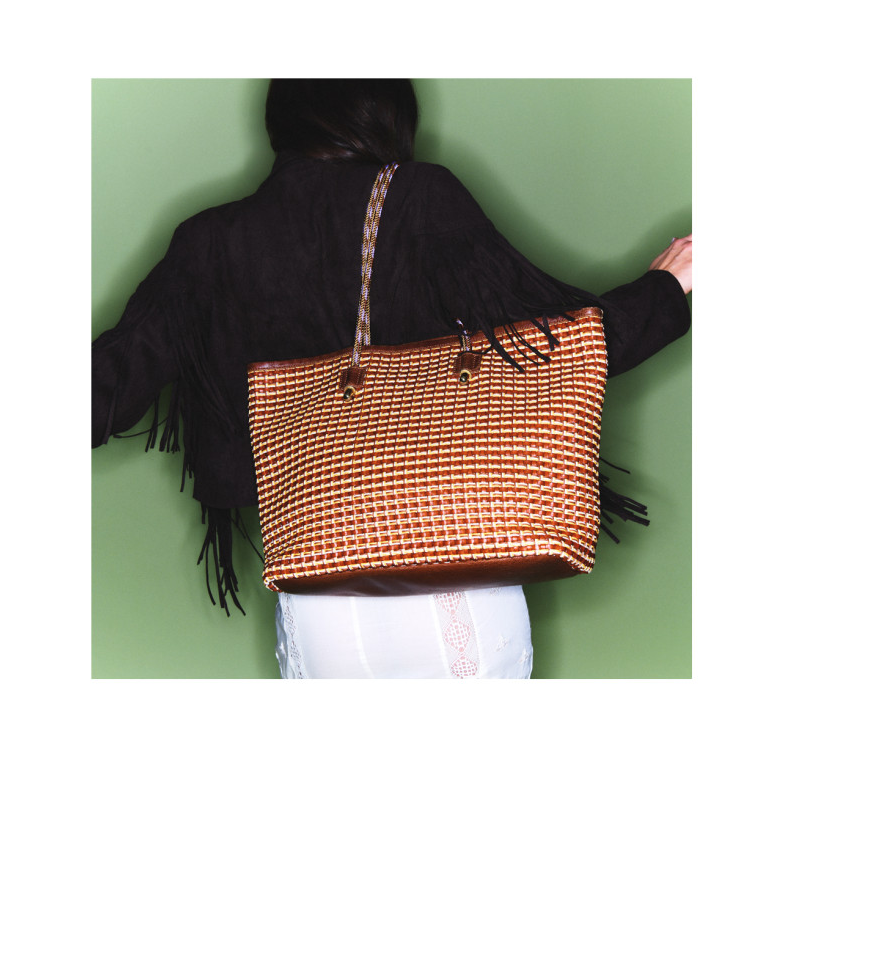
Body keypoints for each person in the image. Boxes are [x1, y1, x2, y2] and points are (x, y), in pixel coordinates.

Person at [92, 79, 692, 679]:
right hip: (456, 576)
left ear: (281, 117)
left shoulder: (207, 242)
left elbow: (107, 385)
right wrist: (665, 290)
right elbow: (551, 349)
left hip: (315, 600)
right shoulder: (419, 199)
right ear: (388, 113)